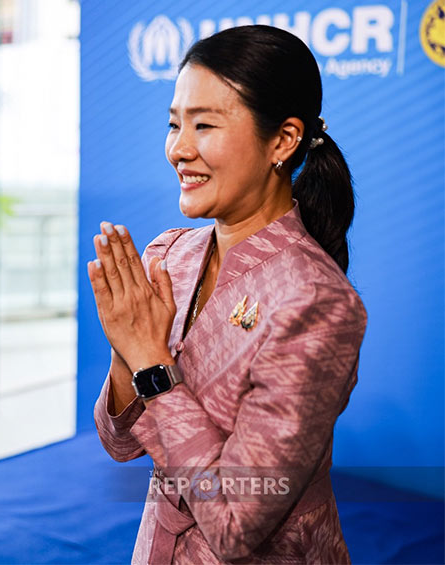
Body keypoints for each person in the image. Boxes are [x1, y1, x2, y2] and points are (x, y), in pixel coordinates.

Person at [89, 26, 366, 563]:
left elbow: (235, 522)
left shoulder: (317, 301)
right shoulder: (169, 256)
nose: (179, 149)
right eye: (174, 124)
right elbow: (119, 443)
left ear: (282, 140)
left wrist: (149, 360)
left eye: (204, 125)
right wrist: (127, 347)